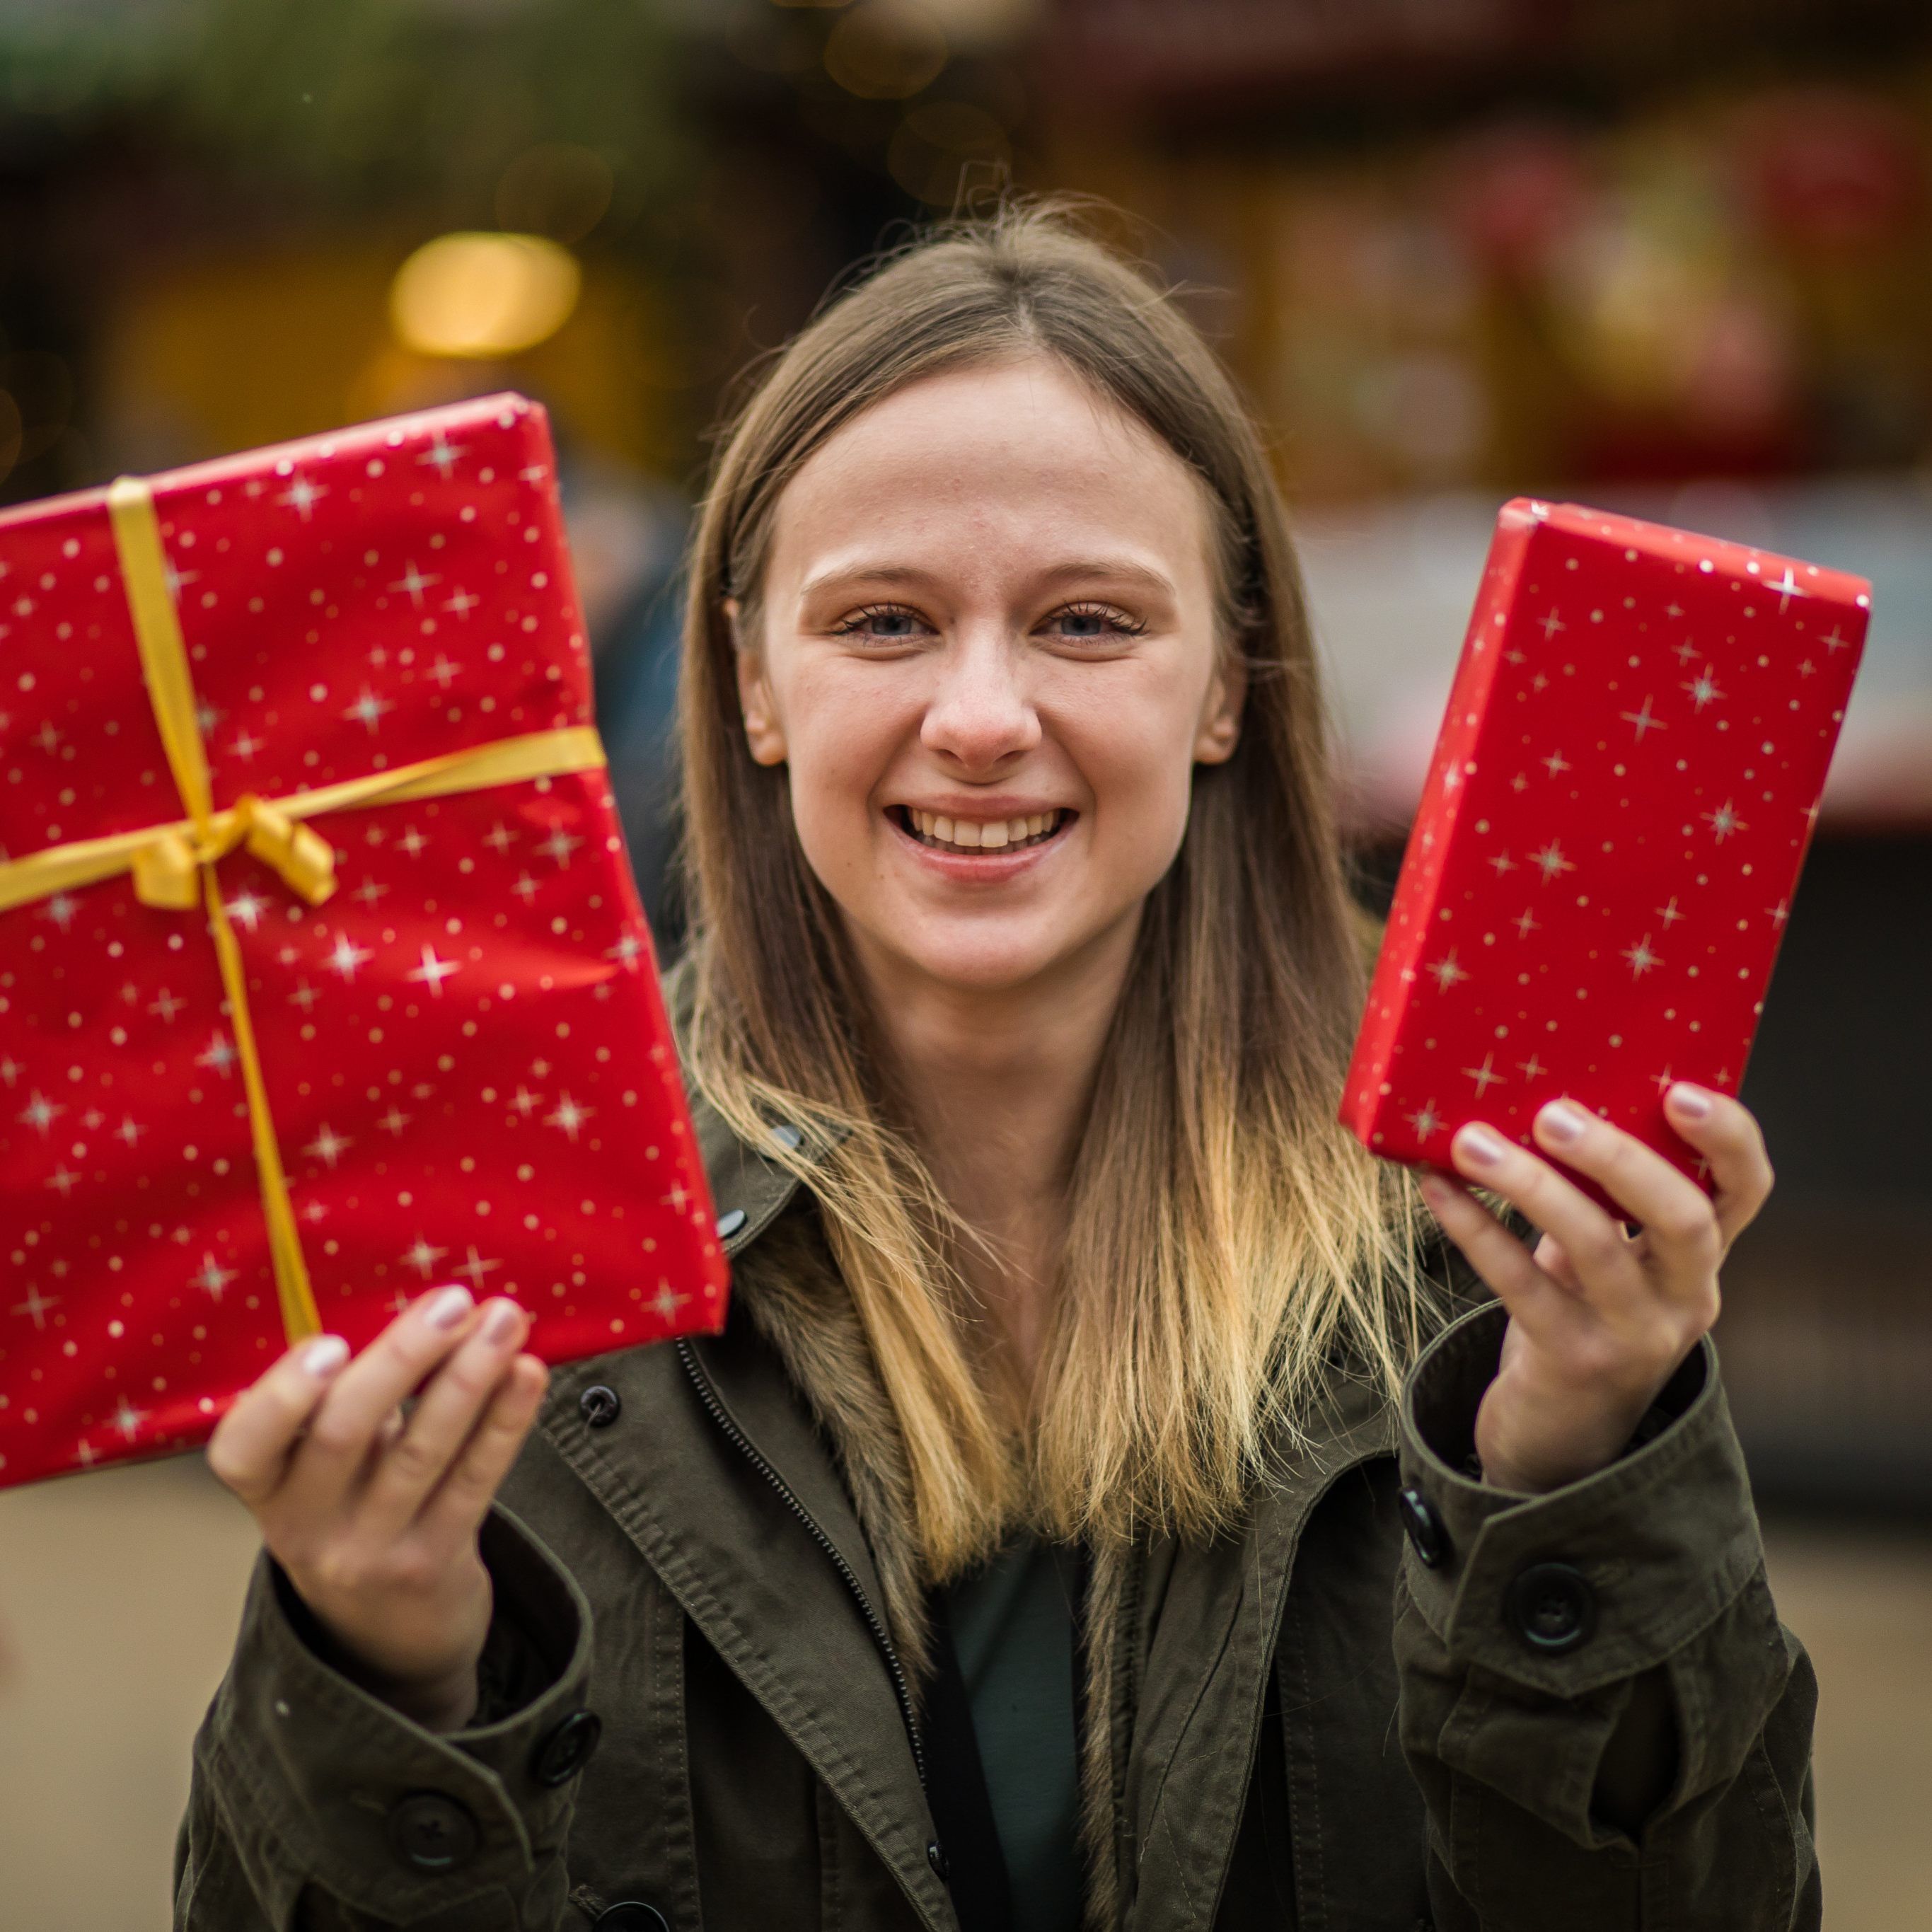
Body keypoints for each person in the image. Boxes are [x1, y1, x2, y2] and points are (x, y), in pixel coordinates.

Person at [174, 205, 1815, 1932]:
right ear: (752, 684)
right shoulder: (527, 1262)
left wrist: (1572, 1491)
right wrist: (386, 1672)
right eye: (883, 622)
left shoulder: (1479, 1250)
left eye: (1086, 623)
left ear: (1226, 688)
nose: (978, 718)